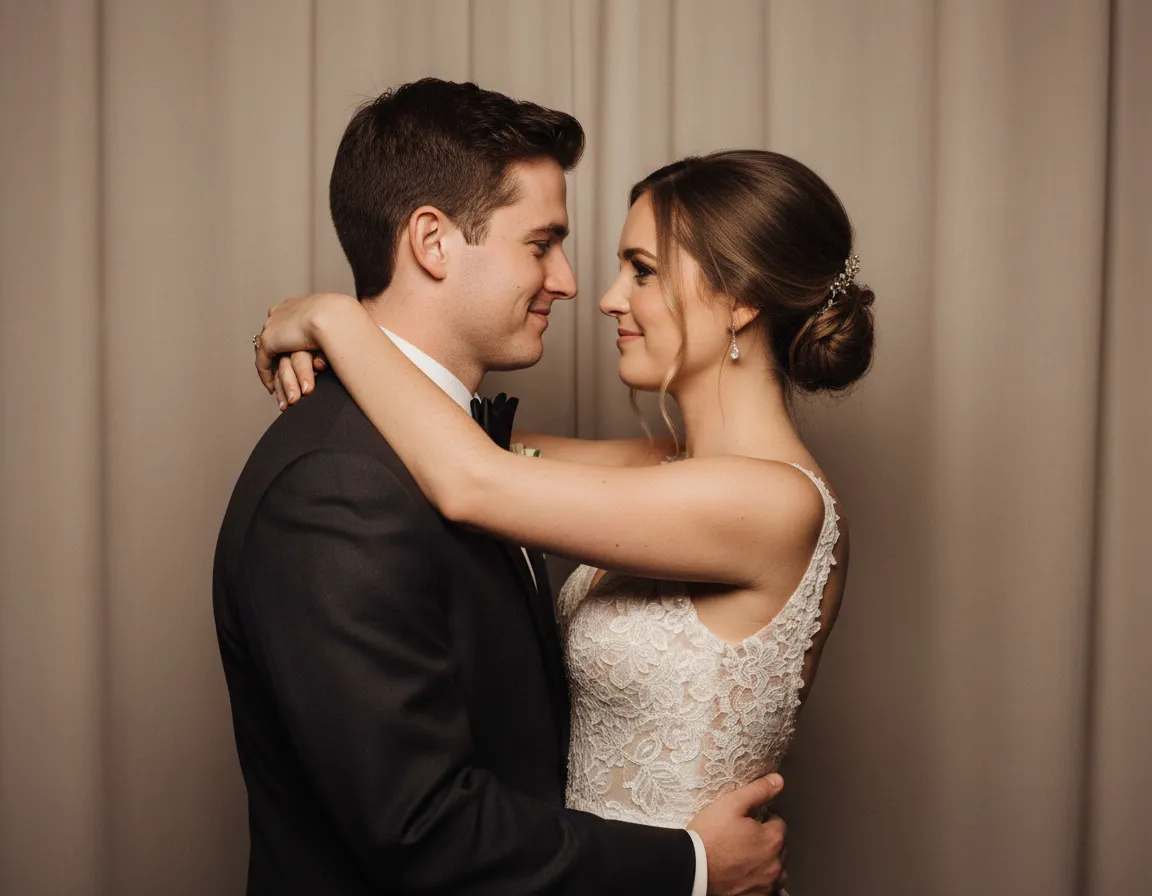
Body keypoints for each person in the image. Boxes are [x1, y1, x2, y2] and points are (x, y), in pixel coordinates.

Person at [215, 78, 788, 896]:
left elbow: (475, 471)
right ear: (433, 241)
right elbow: (418, 829)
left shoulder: (460, 449)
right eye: (542, 242)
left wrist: (331, 320)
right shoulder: (337, 486)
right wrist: (692, 867)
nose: (569, 282)